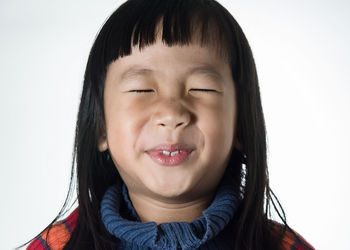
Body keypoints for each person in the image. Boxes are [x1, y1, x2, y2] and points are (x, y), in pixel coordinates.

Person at [24, 0, 314, 249]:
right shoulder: (57, 245)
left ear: (240, 124)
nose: (172, 113)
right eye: (141, 90)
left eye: (202, 88)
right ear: (100, 125)